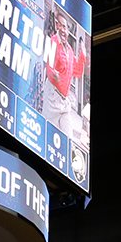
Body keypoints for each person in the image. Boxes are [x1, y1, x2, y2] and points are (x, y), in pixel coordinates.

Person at [44, 8, 88, 144]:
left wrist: (82, 55)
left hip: (64, 102)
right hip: (52, 97)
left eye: (66, 27)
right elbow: (48, 66)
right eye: (61, 26)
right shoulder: (52, 41)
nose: (64, 30)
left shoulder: (69, 50)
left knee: (68, 139)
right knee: (48, 136)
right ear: (56, 26)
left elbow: (77, 72)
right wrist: (53, 75)